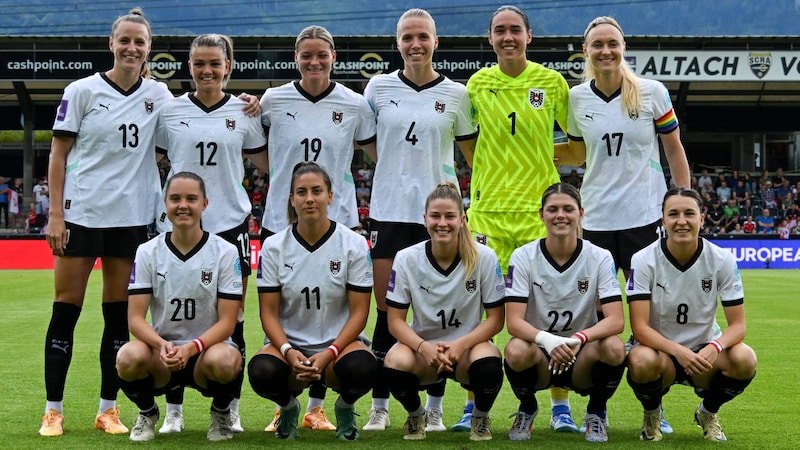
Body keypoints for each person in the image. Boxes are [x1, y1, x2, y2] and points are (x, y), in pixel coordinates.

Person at [39, 8, 175, 437]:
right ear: (111, 44)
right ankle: (53, 410)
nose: (132, 48)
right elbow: (58, 154)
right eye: (125, 40)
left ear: (149, 48)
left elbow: (185, 131)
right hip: (81, 216)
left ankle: (107, 409)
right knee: (66, 312)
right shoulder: (81, 90)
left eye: (140, 42)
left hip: (132, 220)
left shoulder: (161, 95)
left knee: (118, 319)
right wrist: (55, 214)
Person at [464, 5, 579, 433]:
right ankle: (475, 404)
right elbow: (468, 142)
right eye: (499, 31)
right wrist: (489, 172)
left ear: (529, 36)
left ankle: (560, 405)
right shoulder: (477, 84)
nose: (507, 37)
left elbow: (578, 149)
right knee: (481, 310)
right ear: (490, 38)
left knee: (549, 309)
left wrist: (535, 157)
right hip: (489, 213)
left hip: (538, 214)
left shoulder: (551, 82)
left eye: (515, 30)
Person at [257, 25, 377, 433]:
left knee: (334, 308)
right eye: (306, 55)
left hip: (339, 218)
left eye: (321, 55)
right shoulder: (272, 100)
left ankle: (319, 406)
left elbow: (375, 150)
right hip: (280, 220)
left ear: (334, 57)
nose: (314, 62)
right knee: (290, 305)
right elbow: (254, 148)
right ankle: (286, 404)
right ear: (296, 58)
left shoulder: (355, 104)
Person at [363, 8, 478, 432]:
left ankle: (434, 406)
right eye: (407, 37)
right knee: (385, 310)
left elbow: (472, 156)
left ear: (436, 42)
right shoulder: (378, 87)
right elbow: (369, 141)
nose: (415, 44)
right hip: (389, 212)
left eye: (423, 37)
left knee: (438, 313)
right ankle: (380, 405)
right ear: (397, 43)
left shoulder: (457, 94)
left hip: (440, 216)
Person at [153, 33, 267, 433]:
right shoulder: (169, 111)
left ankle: (228, 407)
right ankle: (173, 410)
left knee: (232, 320)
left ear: (228, 67)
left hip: (230, 227)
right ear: (189, 67)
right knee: (171, 317)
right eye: (199, 64)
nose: (207, 71)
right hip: (180, 226)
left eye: (215, 64)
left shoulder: (244, 112)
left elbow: (268, 160)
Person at [247, 161, 377, 441]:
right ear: (291, 199)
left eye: (316, 191)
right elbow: (268, 313)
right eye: (301, 192)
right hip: (291, 346)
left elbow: (360, 313)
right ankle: (288, 406)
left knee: (363, 368)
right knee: (261, 371)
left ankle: (345, 407)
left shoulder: (352, 244)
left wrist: (329, 352)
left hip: (338, 348)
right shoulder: (274, 246)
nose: (309, 198)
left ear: (330, 196)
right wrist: (287, 350)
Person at [116, 172, 243, 442]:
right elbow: (135, 320)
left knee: (227, 360)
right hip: (163, 354)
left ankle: (220, 414)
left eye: (191, 199)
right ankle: (147, 413)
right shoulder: (147, 251)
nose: (183, 205)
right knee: (126, 357)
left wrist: (191, 347)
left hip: (205, 352)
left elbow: (228, 322)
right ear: (165, 203)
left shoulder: (226, 251)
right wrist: (162, 345)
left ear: (205, 204)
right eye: (175, 199)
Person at [626, 187, 757, 442]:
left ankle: (707, 412)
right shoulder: (643, 260)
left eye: (689, 213)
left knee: (745, 358)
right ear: (662, 220)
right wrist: (679, 352)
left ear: (702, 218)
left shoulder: (722, 259)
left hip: (704, 354)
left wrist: (715, 347)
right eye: (673, 214)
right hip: (660, 354)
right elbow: (639, 328)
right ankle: (652, 414)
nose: (681, 221)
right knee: (640, 360)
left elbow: (738, 327)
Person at [503, 183, 626, 443]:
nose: (561, 215)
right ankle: (527, 407)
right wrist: (549, 340)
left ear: (581, 214)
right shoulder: (523, 256)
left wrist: (577, 339)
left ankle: (596, 411)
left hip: (581, 357)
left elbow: (616, 320)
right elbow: (513, 322)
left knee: (615, 348)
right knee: (515, 350)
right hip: (539, 357)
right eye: (553, 209)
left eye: (568, 209)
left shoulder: (600, 256)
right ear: (541, 214)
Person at [384, 182, 505, 441]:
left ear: (462, 219)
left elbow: (496, 320)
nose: (442, 223)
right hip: (424, 352)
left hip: (467, 351)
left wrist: (461, 345)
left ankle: (480, 417)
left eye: (450, 216)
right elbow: (395, 321)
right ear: (424, 219)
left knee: (490, 364)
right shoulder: (406, 258)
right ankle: (417, 415)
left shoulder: (484, 257)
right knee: (394, 362)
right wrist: (422, 347)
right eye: (435, 216)